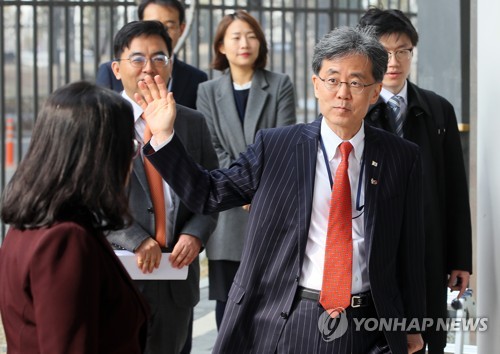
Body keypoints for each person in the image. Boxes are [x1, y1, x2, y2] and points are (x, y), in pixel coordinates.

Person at [135, 26, 426, 353]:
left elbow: (410, 247)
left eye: (356, 82)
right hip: (292, 314)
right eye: (332, 79)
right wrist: (163, 138)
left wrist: (412, 323)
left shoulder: (401, 156)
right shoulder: (275, 147)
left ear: (374, 92)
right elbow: (208, 193)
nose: (343, 92)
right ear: (316, 85)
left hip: (369, 322)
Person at [0, 81, 148, 354]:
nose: (132, 158)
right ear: (98, 155)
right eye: (129, 146)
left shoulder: (28, 226)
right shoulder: (64, 240)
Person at [358, 8, 473, 353]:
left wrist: (460, 258)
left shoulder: (437, 109)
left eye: (403, 50)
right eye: (384, 51)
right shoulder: (355, 108)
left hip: (427, 250)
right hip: (370, 251)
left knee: (427, 338)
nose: (394, 61)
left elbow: (454, 188)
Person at [105, 20, 218, 354]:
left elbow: (210, 190)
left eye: (159, 58)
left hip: (176, 274)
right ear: (116, 68)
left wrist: (196, 233)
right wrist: (135, 239)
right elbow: (91, 198)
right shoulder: (100, 121)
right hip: (119, 272)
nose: (149, 67)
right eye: (137, 58)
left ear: (171, 65)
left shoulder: (193, 122)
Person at [197, 10, 297, 328]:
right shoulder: (208, 91)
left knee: (268, 303)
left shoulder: (280, 84)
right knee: (227, 305)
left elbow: (285, 141)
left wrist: (257, 189)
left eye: (252, 35)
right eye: (236, 37)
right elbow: (212, 149)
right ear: (221, 47)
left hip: (269, 204)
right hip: (228, 213)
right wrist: (242, 187)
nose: (245, 43)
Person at [96, 0, 208, 109]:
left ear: (181, 29)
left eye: (168, 26)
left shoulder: (197, 78)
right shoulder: (108, 72)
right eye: (151, 24)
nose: (149, 69)